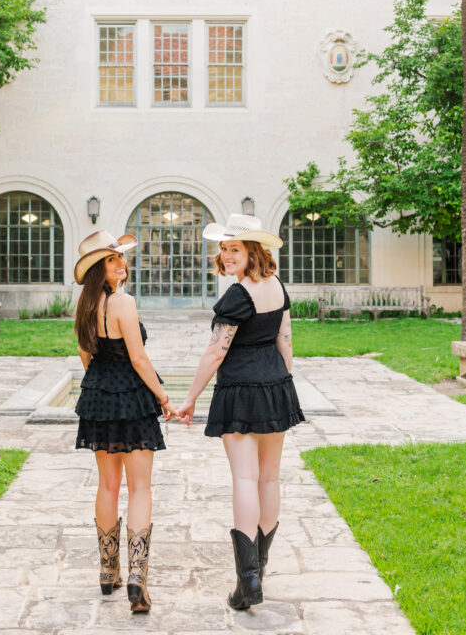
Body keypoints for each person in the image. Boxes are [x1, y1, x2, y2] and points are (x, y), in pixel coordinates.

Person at [177, 214, 305, 610]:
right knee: (268, 479)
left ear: (253, 252)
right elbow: (285, 340)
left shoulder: (238, 295)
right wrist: (285, 383)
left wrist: (190, 397)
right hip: (275, 386)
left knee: (247, 479)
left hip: (240, 390)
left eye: (235, 249)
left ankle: (248, 580)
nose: (227, 255)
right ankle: (258, 572)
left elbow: (217, 350)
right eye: (224, 248)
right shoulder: (277, 287)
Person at [73, 229, 177, 614]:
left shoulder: (84, 307)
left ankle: (107, 571)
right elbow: (138, 358)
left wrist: (101, 383)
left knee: (107, 485)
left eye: (121, 258)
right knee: (140, 489)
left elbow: (86, 356)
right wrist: (164, 398)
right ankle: (137, 578)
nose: (121, 264)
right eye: (112, 260)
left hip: (97, 397)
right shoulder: (123, 302)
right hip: (132, 398)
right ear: (100, 269)